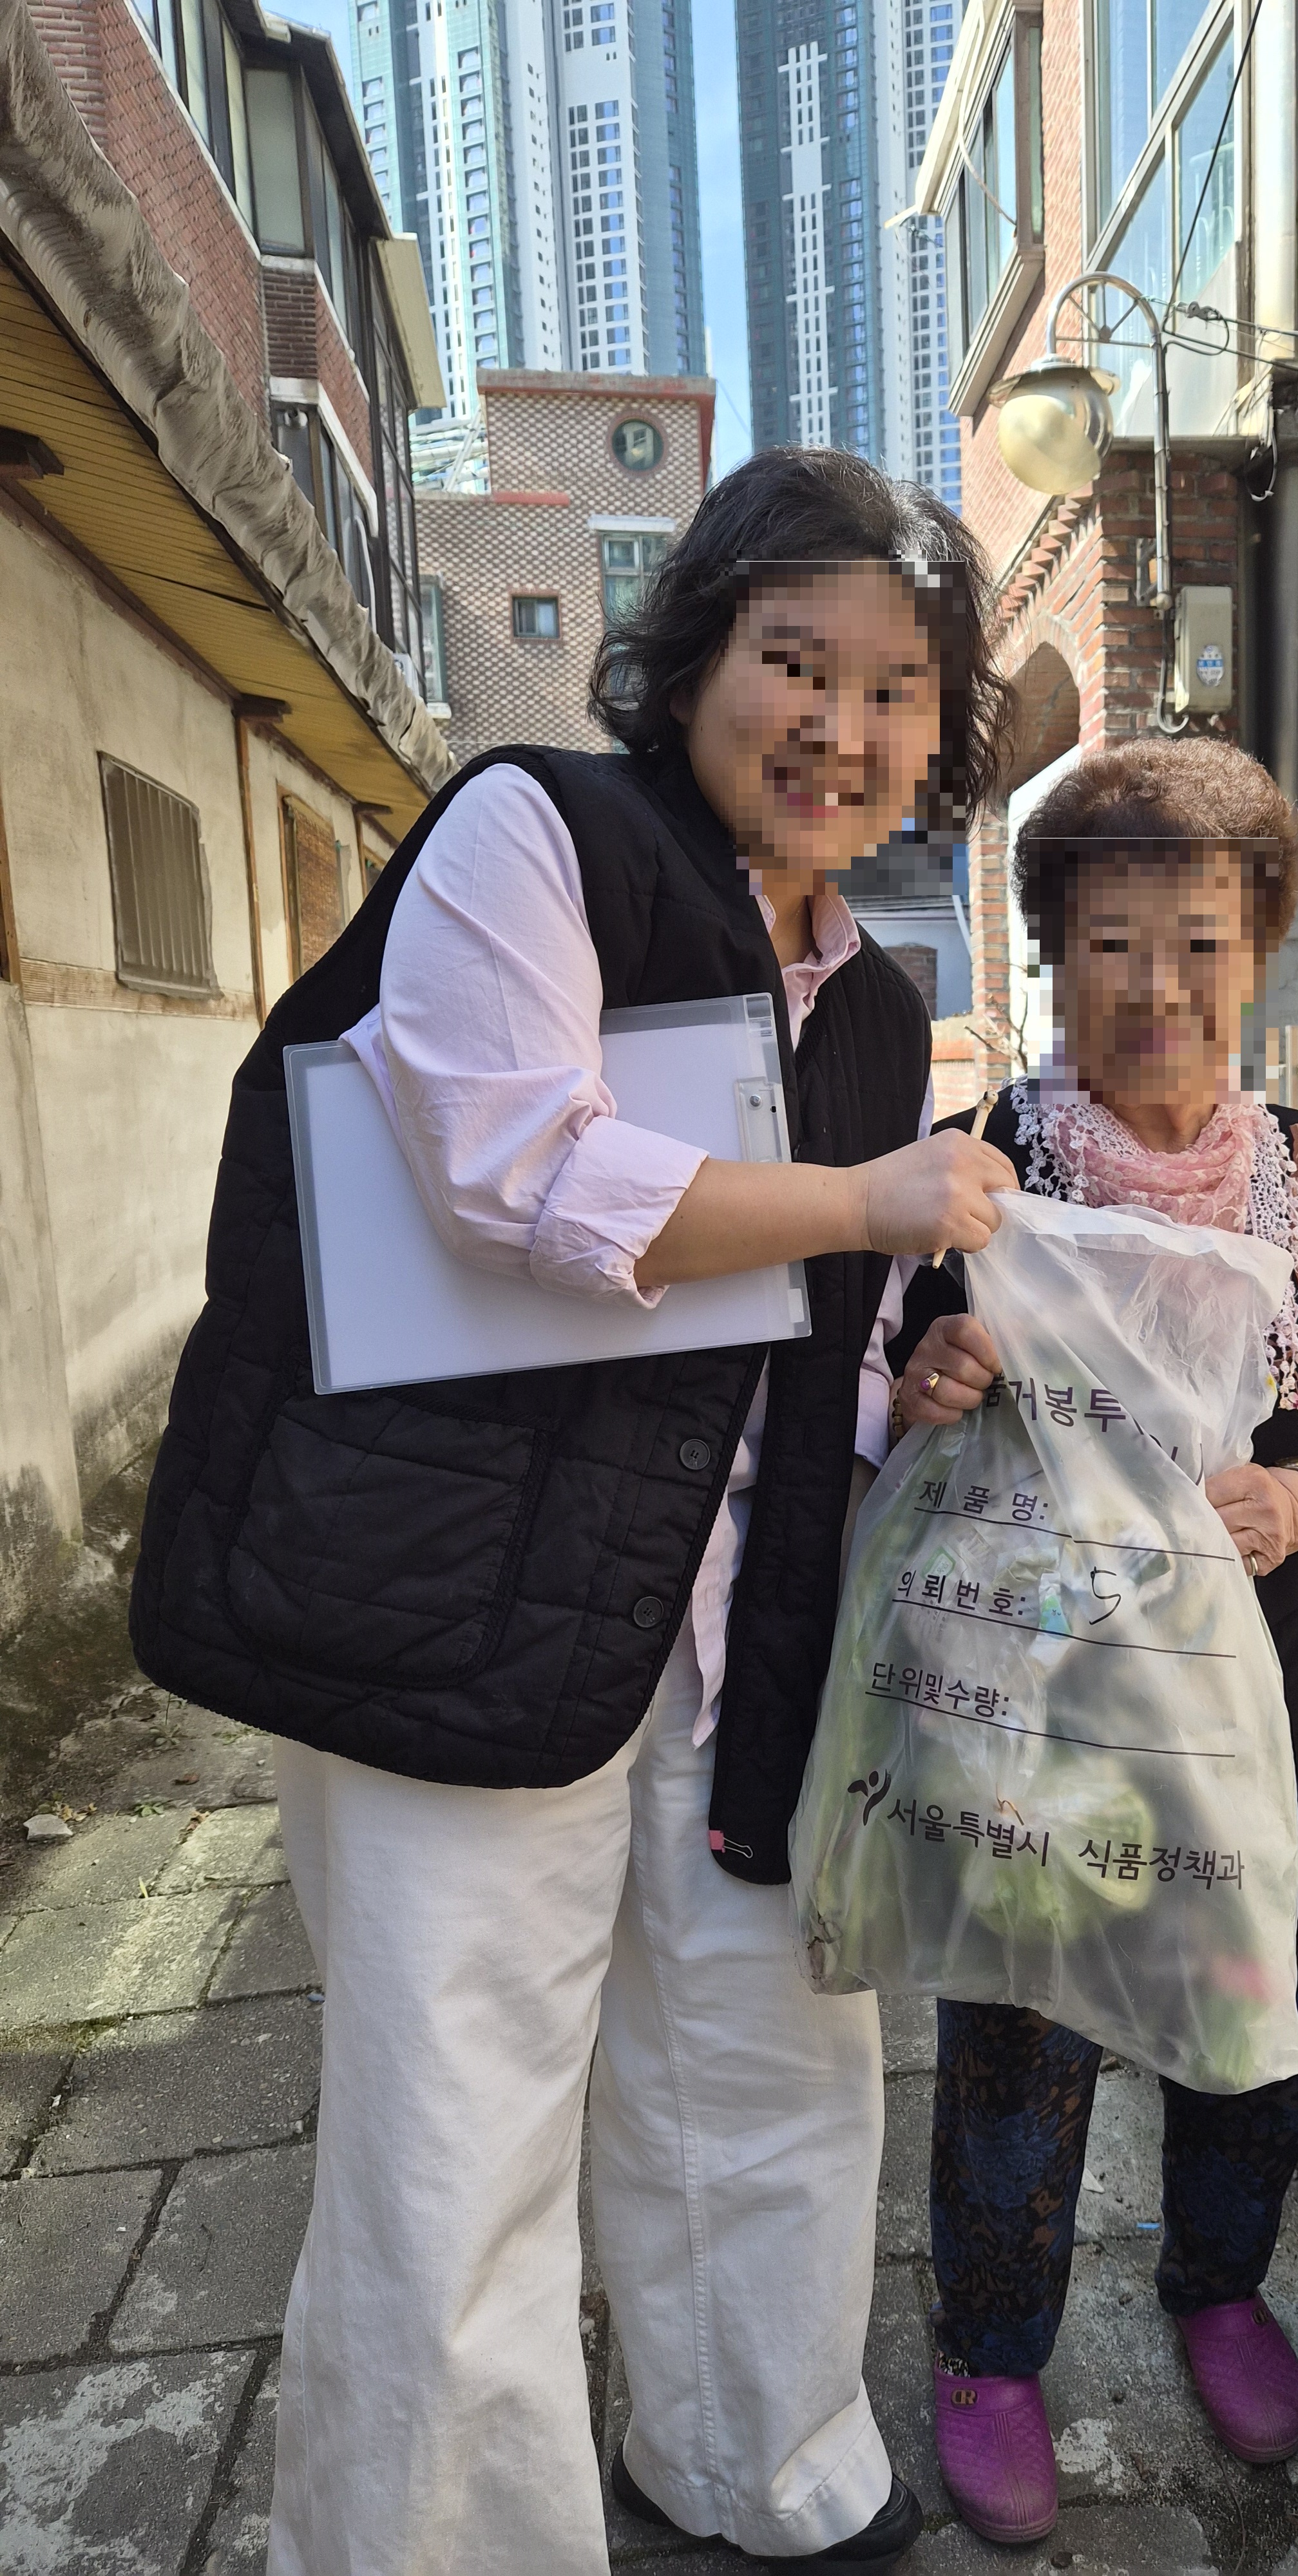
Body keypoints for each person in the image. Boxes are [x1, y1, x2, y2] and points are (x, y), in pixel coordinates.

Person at [129, 450, 1018, 2575]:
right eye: (793, 662)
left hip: (731, 1623)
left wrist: (906, 1378)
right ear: (690, 661)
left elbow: (811, 1341)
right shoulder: (538, 835)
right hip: (448, 1593)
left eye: (896, 690)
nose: (840, 725)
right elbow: (512, 1170)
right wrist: (863, 1203)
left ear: (939, 734)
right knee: (458, 2136)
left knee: (774, 2056)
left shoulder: (877, 1002)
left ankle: (756, 2457)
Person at [888, 737, 1298, 2545]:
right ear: (1055, 953)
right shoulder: (985, 1172)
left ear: (1260, 948)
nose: (1156, 985)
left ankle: (1218, 2286)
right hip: (1035, 1711)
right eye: (1112, 940)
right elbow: (895, 1386)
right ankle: (992, 2348)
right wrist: (929, 1378)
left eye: (1200, 941)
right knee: (1019, 2036)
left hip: (1255, 1707)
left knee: (1248, 2008)